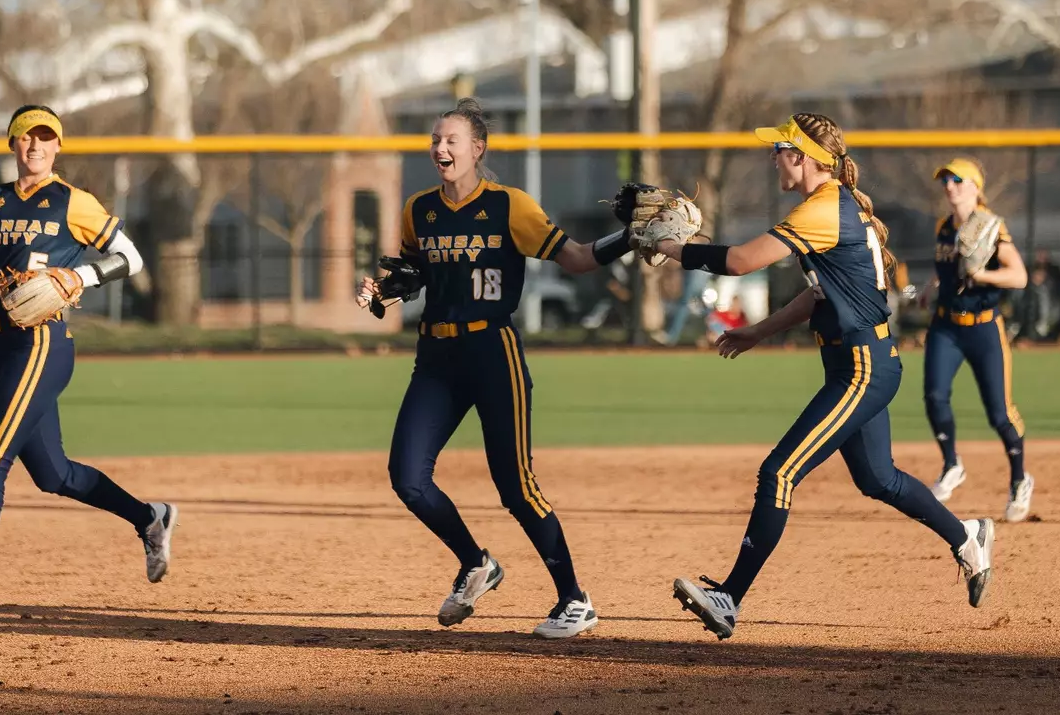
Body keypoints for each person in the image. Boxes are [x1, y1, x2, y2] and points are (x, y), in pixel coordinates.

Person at [655, 114, 994, 641]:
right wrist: (756, 332)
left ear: (804, 157)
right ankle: (967, 536)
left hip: (862, 367)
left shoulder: (822, 209)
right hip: (859, 363)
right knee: (877, 478)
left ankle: (729, 598)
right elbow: (818, 294)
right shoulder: (834, 205)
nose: (774, 158)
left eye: (781, 149)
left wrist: (675, 250)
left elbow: (742, 261)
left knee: (778, 474)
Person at [355, 98, 636, 639]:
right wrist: (386, 287)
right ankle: (475, 563)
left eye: (451, 140)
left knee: (515, 485)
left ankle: (574, 600)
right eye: (436, 140)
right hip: (435, 357)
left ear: (477, 150)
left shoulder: (510, 206)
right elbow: (411, 269)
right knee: (408, 478)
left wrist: (628, 238)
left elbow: (575, 258)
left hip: (492, 352)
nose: (440, 148)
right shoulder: (420, 209)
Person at [0, 105, 177, 626]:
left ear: (58, 147)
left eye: (46, 138)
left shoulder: (72, 201)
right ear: (12, 143)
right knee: (53, 474)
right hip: (4, 348)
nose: (36, 146)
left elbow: (130, 257)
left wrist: (80, 277)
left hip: (43, 344)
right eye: (26, 137)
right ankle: (149, 517)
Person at [917, 159, 1033, 523]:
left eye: (957, 180)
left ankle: (1019, 480)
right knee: (934, 395)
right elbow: (948, 271)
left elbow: (1019, 277)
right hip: (946, 326)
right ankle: (952, 464)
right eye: (945, 180)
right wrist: (930, 287)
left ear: (976, 187)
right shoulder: (943, 227)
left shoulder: (991, 227)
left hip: (984, 327)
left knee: (999, 413)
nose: (949, 186)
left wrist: (984, 275)